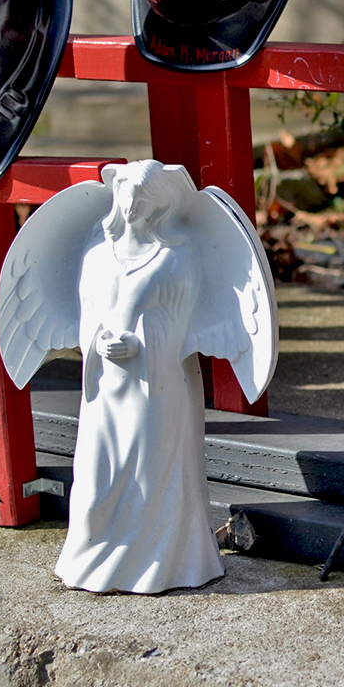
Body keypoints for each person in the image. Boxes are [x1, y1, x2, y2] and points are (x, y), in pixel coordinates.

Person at [55, 161, 224, 594]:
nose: (130, 206)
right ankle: (91, 557)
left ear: (157, 203)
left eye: (141, 198)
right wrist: (97, 342)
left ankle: (161, 563)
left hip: (155, 388)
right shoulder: (97, 254)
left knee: (154, 478)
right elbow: (87, 316)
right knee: (94, 484)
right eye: (125, 195)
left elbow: (181, 325)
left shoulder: (176, 257)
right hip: (105, 391)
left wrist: (142, 342)